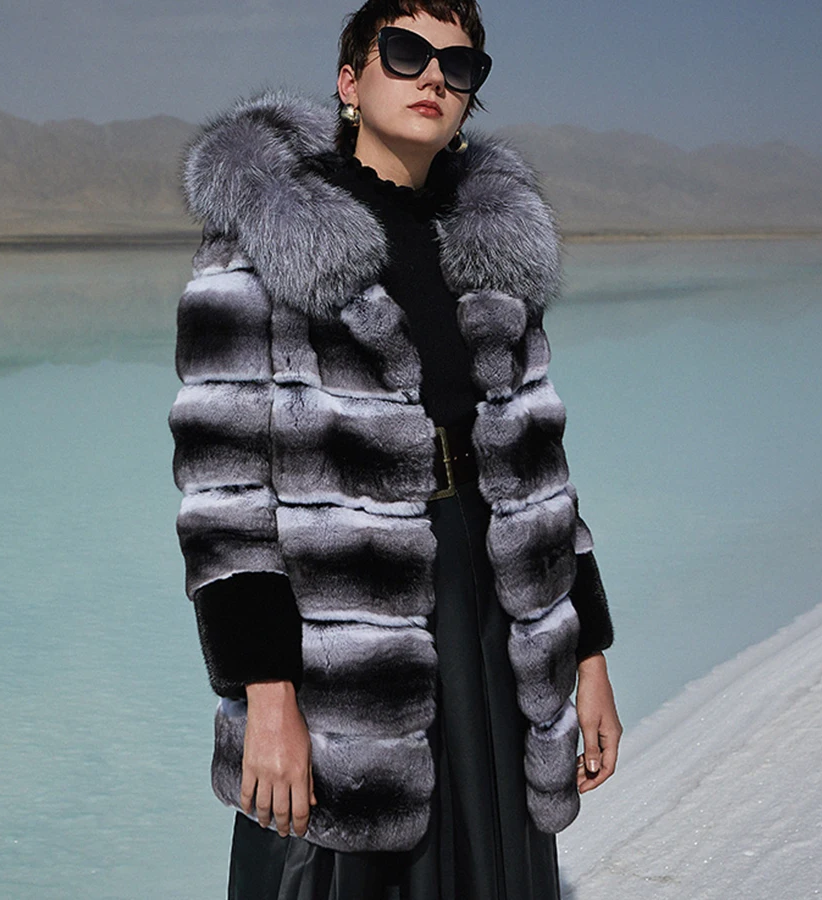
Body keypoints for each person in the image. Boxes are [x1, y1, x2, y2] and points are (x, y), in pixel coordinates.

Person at [169, 1, 622, 897]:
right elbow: (223, 498)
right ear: (350, 80)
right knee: (340, 863)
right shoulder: (261, 245)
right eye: (407, 52)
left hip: (490, 606)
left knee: (495, 860)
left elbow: (539, 473)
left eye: (460, 66)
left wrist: (590, 654)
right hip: (344, 624)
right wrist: (266, 692)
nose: (434, 78)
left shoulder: (495, 254)